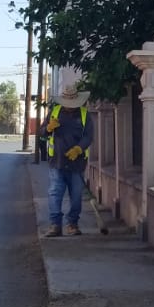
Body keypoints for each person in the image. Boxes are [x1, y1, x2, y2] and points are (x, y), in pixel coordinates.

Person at [40, 90, 92, 237]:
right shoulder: (54, 112)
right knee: (55, 194)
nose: (70, 107)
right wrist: (49, 128)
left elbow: (88, 136)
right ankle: (55, 225)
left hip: (77, 164)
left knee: (76, 196)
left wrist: (78, 148)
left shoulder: (84, 115)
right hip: (57, 162)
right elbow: (42, 132)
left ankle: (72, 224)